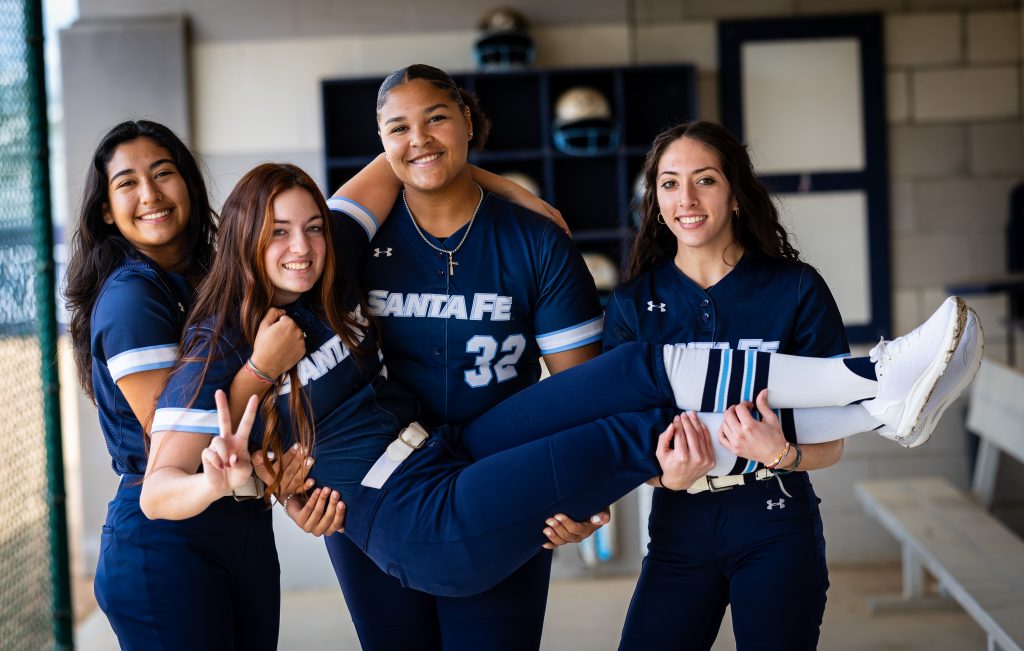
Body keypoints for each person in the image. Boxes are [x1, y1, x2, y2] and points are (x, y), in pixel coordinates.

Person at [144, 162, 980, 609]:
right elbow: (158, 490)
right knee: (637, 426)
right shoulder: (217, 347)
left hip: (447, 454)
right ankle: (879, 397)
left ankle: (872, 379)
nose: (302, 246)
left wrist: (508, 192)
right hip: (419, 518)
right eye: (280, 232)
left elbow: (403, 156)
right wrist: (230, 469)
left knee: (637, 367)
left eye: (313, 227)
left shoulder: (324, 280)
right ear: (246, 239)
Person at [606, 121, 983, 650]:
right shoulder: (631, 304)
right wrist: (663, 477)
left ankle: (879, 390)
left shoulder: (794, 287)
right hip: (678, 529)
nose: (686, 199)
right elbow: (624, 441)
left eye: (705, 180)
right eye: (669, 183)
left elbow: (827, 444)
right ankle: (884, 394)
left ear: (735, 191)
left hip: (774, 523)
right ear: (656, 199)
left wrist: (780, 452)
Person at [321, 63, 611, 650]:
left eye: (437, 119)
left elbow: (579, 391)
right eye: (397, 128)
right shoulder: (349, 243)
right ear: (380, 143)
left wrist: (584, 492)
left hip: (500, 477)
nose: (419, 138)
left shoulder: (535, 239)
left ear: (468, 123)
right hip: (380, 483)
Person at [63, 120, 336, 651]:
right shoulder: (131, 297)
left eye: (164, 173)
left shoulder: (218, 273)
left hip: (239, 522)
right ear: (106, 209)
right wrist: (261, 367)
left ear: (188, 182)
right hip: (167, 537)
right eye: (127, 183)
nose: (150, 195)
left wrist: (278, 482)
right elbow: (175, 447)